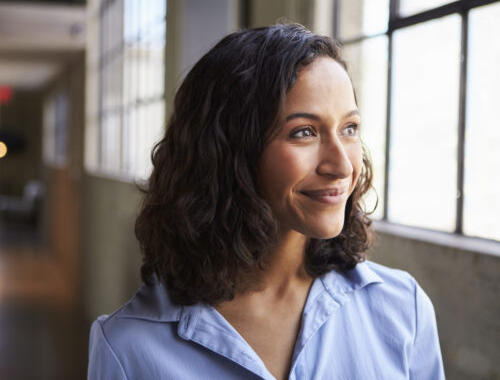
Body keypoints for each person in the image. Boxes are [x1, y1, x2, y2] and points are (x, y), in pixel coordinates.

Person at [87, 24, 445, 380]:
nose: (342, 166)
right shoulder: (128, 348)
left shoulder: (403, 311)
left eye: (349, 128)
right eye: (303, 132)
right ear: (230, 150)